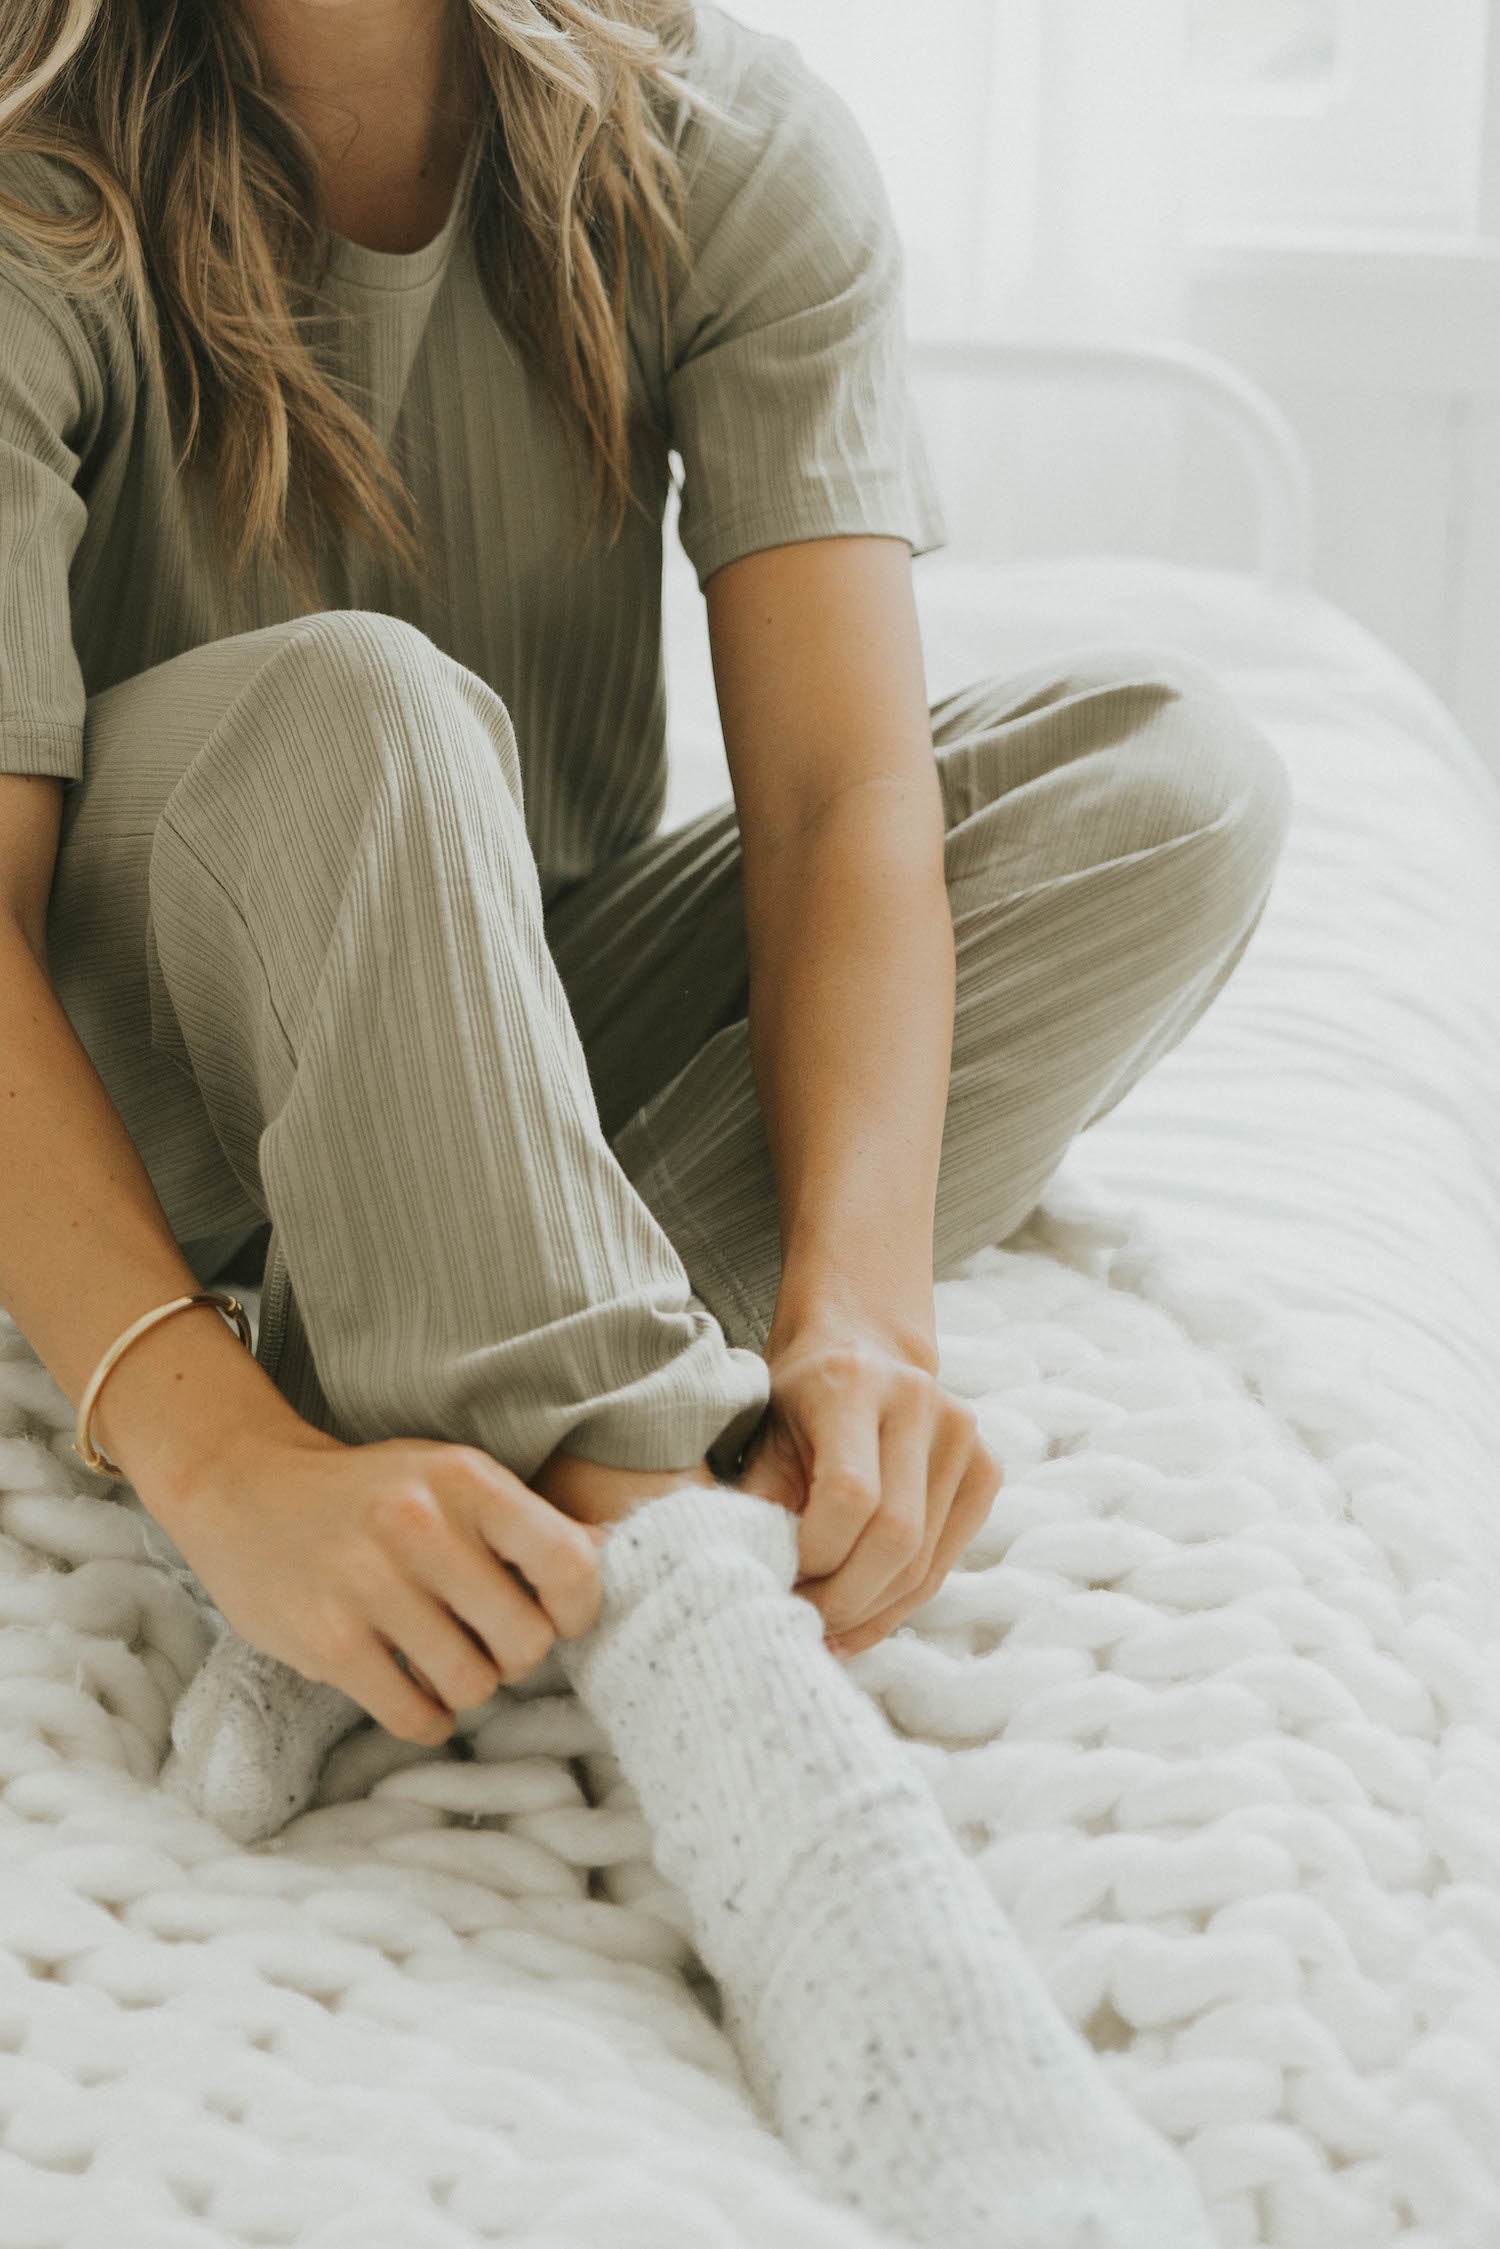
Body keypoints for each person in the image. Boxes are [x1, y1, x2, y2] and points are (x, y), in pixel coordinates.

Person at [0, 1, 1287, 2239]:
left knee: (1172, 781)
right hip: (158, 1073)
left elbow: (834, 795)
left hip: (514, 1017)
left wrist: (862, 1309)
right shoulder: (30, 166)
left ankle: (452, 1355)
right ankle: (760, 1749)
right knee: (377, 709)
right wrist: (218, 1456)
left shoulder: (715, 135)